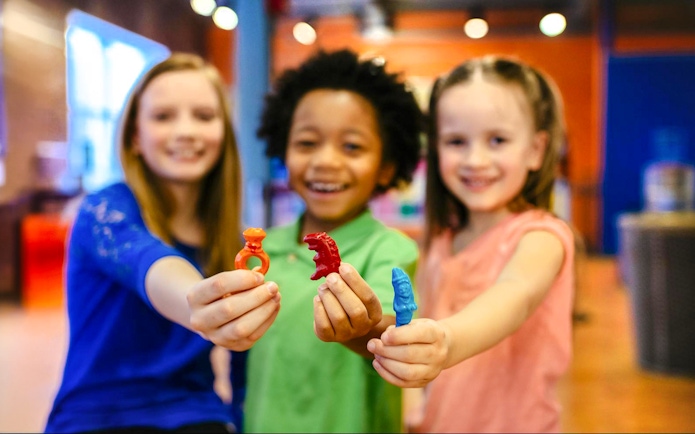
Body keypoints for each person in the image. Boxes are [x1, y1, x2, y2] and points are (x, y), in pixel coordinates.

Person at [45, 53, 281, 433]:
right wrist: (200, 301)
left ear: (223, 134)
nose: (185, 130)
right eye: (163, 116)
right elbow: (149, 263)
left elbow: (244, 371)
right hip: (97, 412)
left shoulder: (233, 242)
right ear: (135, 137)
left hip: (195, 409)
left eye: (203, 116)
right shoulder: (103, 212)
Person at [367, 55, 576, 433]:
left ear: (535, 150)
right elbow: (423, 329)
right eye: (456, 141)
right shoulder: (444, 239)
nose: (475, 159)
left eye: (497, 140)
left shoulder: (542, 237)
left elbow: (516, 294)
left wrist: (446, 341)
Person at [241, 49, 424, 433]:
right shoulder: (262, 251)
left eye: (352, 147)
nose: (326, 161)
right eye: (307, 142)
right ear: (282, 152)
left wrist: (364, 328)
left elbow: (388, 334)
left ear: (386, 166)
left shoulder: (390, 250)